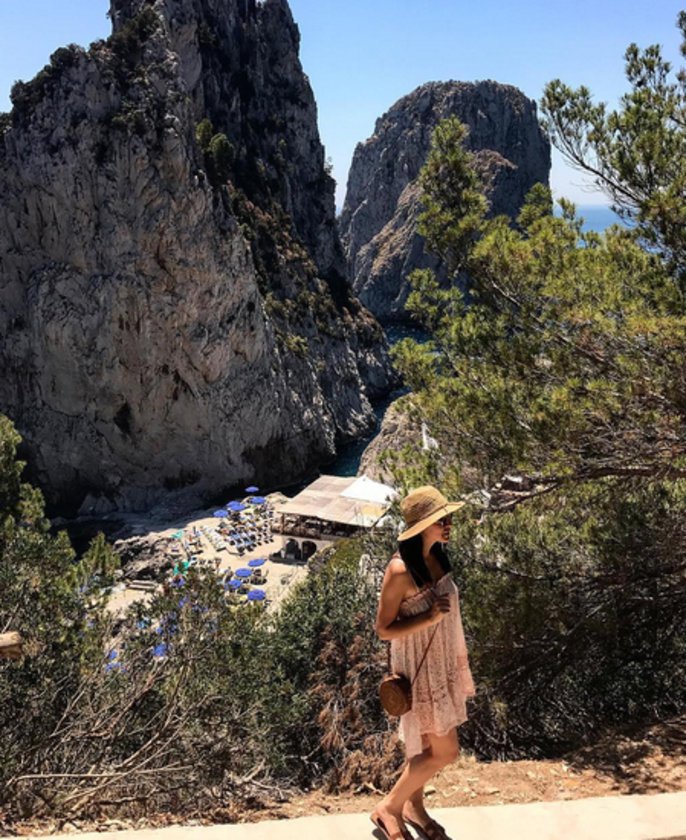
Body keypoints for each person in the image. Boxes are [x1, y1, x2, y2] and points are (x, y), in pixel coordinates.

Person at [371, 486, 476, 840]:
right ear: (420, 527)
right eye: (440, 520)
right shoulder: (400, 570)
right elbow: (383, 629)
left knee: (425, 749)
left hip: (441, 663)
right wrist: (428, 618)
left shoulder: (438, 558)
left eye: (447, 518)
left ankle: (413, 808)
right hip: (418, 670)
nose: (448, 524)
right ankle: (389, 807)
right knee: (446, 752)